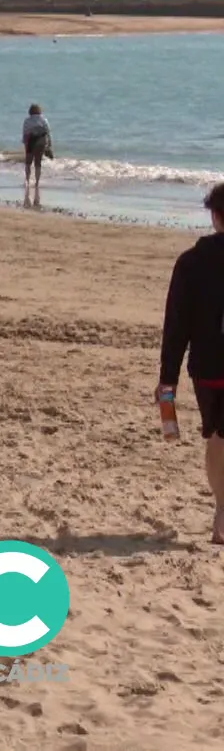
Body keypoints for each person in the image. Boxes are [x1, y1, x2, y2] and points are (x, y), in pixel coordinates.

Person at [156, 183, 224, 542]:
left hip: (208, 369)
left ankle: (221, 512)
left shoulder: (190, 263)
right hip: (211, 367)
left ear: (214, 216)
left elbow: (176, 324)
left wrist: (167, 380)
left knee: (217, 436)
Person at [23, 104, 52, 208]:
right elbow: (48, 132)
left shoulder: (27, 120)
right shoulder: (44, 119)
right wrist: (49, 145)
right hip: (41, 141)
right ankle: (37, 182)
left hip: (31, 141)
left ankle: (27, 180)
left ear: (30, 111)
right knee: (38, 163)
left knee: (28, 162)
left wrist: (25, 143)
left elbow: (25, 133)